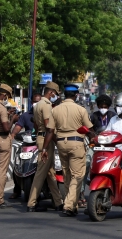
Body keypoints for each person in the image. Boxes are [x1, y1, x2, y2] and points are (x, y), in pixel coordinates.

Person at [41, 84, 95, 217]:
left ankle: (73, 204)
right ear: (76, 95)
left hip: (60, 143)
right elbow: (89, 129)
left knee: (67, 175)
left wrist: (44, 148)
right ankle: (69, 205)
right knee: (78, 175)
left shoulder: (55, 110)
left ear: (64, 95)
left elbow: (49, 130)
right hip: (76, 143)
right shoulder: (80, 110)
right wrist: (94, 138)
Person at [27, 82, 63, 212]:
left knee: (50, 172)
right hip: (46, 141)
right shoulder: (47, 106)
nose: (56, 96)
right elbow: (49, 128)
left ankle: (58, 202)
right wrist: (56, 141)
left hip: (41, 137)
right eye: (55, 94)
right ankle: (31, 203)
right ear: (51, 92)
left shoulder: (37, 105)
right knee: (41, 172)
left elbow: (36, 125)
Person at [9, 93, 42, 199]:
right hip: (28, 144)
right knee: (17, 163)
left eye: (38, 102)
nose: (36, 104)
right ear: (31, 102)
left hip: (41, 144)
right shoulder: (25, 115)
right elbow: (18, 126)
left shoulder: (45, 114)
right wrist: (13, 135)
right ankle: (17, 190)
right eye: (34, 102)